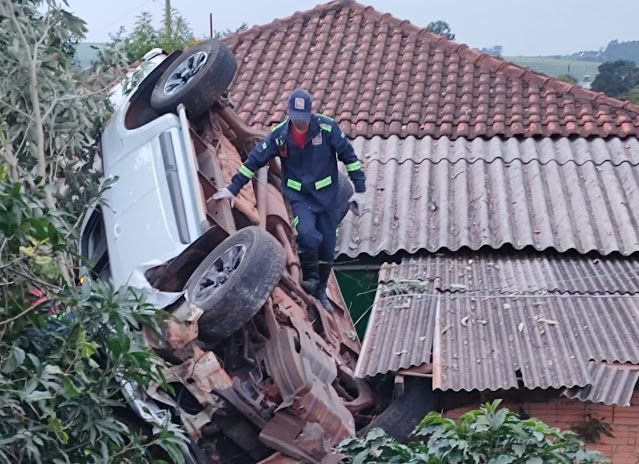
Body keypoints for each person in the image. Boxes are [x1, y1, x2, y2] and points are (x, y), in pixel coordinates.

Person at [213, 89, 366, 311]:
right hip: (301, 198)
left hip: (328, 198)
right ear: (290, 113)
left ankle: (321, 287)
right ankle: (311, 278)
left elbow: (350, 158)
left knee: (326, 246)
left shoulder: (327, 128)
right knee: (306, 235)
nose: (300, 123)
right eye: (296, 117)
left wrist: (359, 190)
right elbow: (255, 160)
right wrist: (233, 188)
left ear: (310, 113)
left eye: (304, 118)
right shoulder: (281, 135)